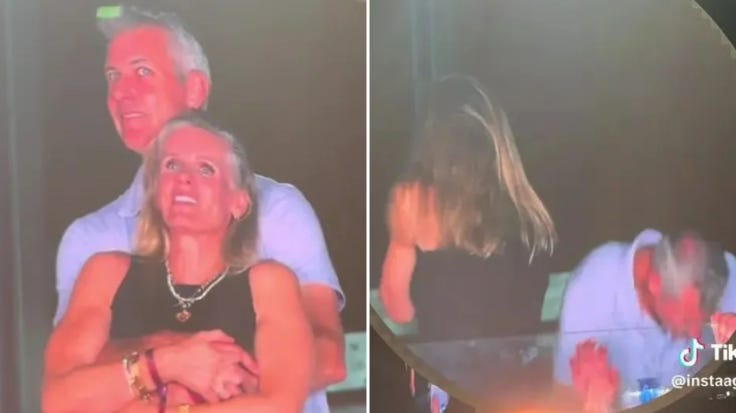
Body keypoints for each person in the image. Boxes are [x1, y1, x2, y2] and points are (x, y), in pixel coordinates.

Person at [53, 5, 345, 412]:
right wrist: (174, 357)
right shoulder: (89, 240)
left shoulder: (278, 209)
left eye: (142, 72)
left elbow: (328, 359)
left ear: (194, 90)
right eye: (113, 77)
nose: (121, 92)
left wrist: (191, 380)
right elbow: (68, 383)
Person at [43, 114, 313, 413]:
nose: (183, 177)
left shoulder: (269, 283)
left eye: (206, 169)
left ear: (238, 203)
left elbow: (279, 405)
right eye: (172, 165)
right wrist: (168, 363)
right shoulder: (106, 273)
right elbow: (59, 401)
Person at [378, 74, 557, 340]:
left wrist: (402, 243)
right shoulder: (530, 222)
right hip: (517, 364)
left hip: (452, 366)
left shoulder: (422, 209)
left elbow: (399, 311)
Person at [553, 229, 736, 412]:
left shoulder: (727, 273)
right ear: (655, 284)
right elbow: (560, 398)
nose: (696, 334)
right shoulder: (589, 290)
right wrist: (593, 400)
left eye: (704, 319)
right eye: (686, 321)